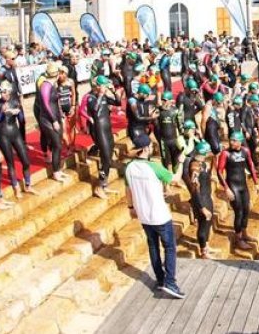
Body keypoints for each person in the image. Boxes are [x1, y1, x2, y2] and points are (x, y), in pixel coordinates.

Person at [124, 132, 185, 299]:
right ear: (145, 149)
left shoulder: (128, 168)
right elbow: (175, 178)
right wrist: (180, 162)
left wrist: (131, 207)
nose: (152, 148)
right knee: (170, 247)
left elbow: (128, 190)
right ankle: (170, 282)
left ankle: (160, 280)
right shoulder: (154, 167)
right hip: (159, 214)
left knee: (153, 246)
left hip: (144, 215)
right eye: (150, 146)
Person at [216, 131, 258, 250]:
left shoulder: (245, 151)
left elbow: (251, 165)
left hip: (243, 186)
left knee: (246, 210)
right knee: (238, 211)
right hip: (232, 186)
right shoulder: (226, 153)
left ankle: (244, 233)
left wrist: (255, 182)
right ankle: (239, 239)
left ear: (240, 141)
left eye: (234, 140)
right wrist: (226, 188)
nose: (231, 142)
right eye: (231, 140)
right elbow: (219, 171)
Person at [0, 81, 36, 200]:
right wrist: (2, 112)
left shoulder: (15, 101)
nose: (4, 94)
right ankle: (16, 188)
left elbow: (22, 120)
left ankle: (28, 184)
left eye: (5, 91)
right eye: (2, 92)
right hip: (4, 134)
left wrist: (19, 111)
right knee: (10, 164)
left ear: (10, 91)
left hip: (15, 132)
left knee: (25, 160)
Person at [86, 76, 117, 198]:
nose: (105, 88)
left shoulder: (103, 96)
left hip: (108, 129)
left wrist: (114, 91)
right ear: (98, 86)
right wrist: (100, 95)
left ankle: (104, 185)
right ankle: (99, 187)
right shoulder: (90, 97)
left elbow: (117, 102)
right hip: (99, 130)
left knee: (109, 158)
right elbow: (95, 109)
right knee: (105, 158)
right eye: (104, 85)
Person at [184, 140, 216, 258]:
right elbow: (195, 189)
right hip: (201, 199)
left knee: (208, 224)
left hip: (207, 196)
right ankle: (203, 252)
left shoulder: (203, 163)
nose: (209, 154)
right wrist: (201, 207)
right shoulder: (194, 167)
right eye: (208, 153)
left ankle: (206, 246)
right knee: (203, 225)